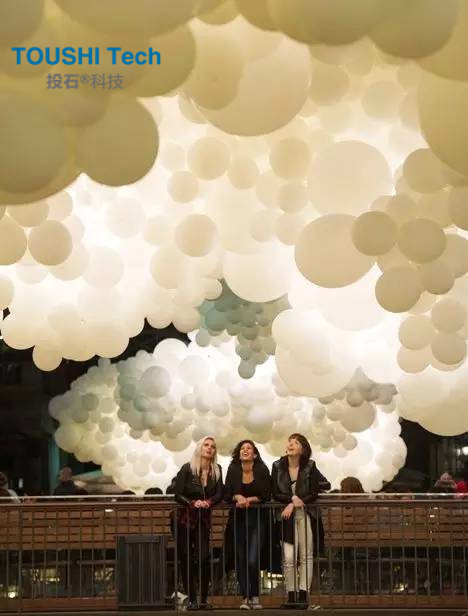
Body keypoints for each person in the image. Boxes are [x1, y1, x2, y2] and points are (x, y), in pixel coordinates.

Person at [272, 434, 327, 610]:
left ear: (303, 449)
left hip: (305, 513)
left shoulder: (310, 466)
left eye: (296, 442)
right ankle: (291, 595)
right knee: (288, 557)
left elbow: (316, 490)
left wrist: (297, 501)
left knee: (306, 555)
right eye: (290, 441)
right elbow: (275, 492)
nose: (291, 444)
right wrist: (292, 499)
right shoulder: (277, 465)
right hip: (286, 516)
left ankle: (303, 595)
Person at [174, 436, 223, 610]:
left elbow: (219, 493)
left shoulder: (217, 470)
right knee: (186, 558)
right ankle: (192, 599)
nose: (209, 448)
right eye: (206, 445)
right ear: (200, 448)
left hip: (203, 519)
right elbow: (177, 493)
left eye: (213, 446)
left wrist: (209, 501)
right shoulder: (188, 468)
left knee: (203, 558)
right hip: (185, 519)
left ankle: (203, 599)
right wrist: (192, 502)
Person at [224, 440, 271, 610]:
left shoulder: (262, 469)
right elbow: (227, 494)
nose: (245, 450)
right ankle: (245, 597)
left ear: (255, 454)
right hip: (237, 519)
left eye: (248, 448)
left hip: (257, 519)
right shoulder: (233, 469)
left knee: (252, 559)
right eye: (242, 448)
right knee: (241, 559)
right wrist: (237, 496)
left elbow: (266, 494)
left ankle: (255, 595)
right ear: (239, 453)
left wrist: (249, 499)